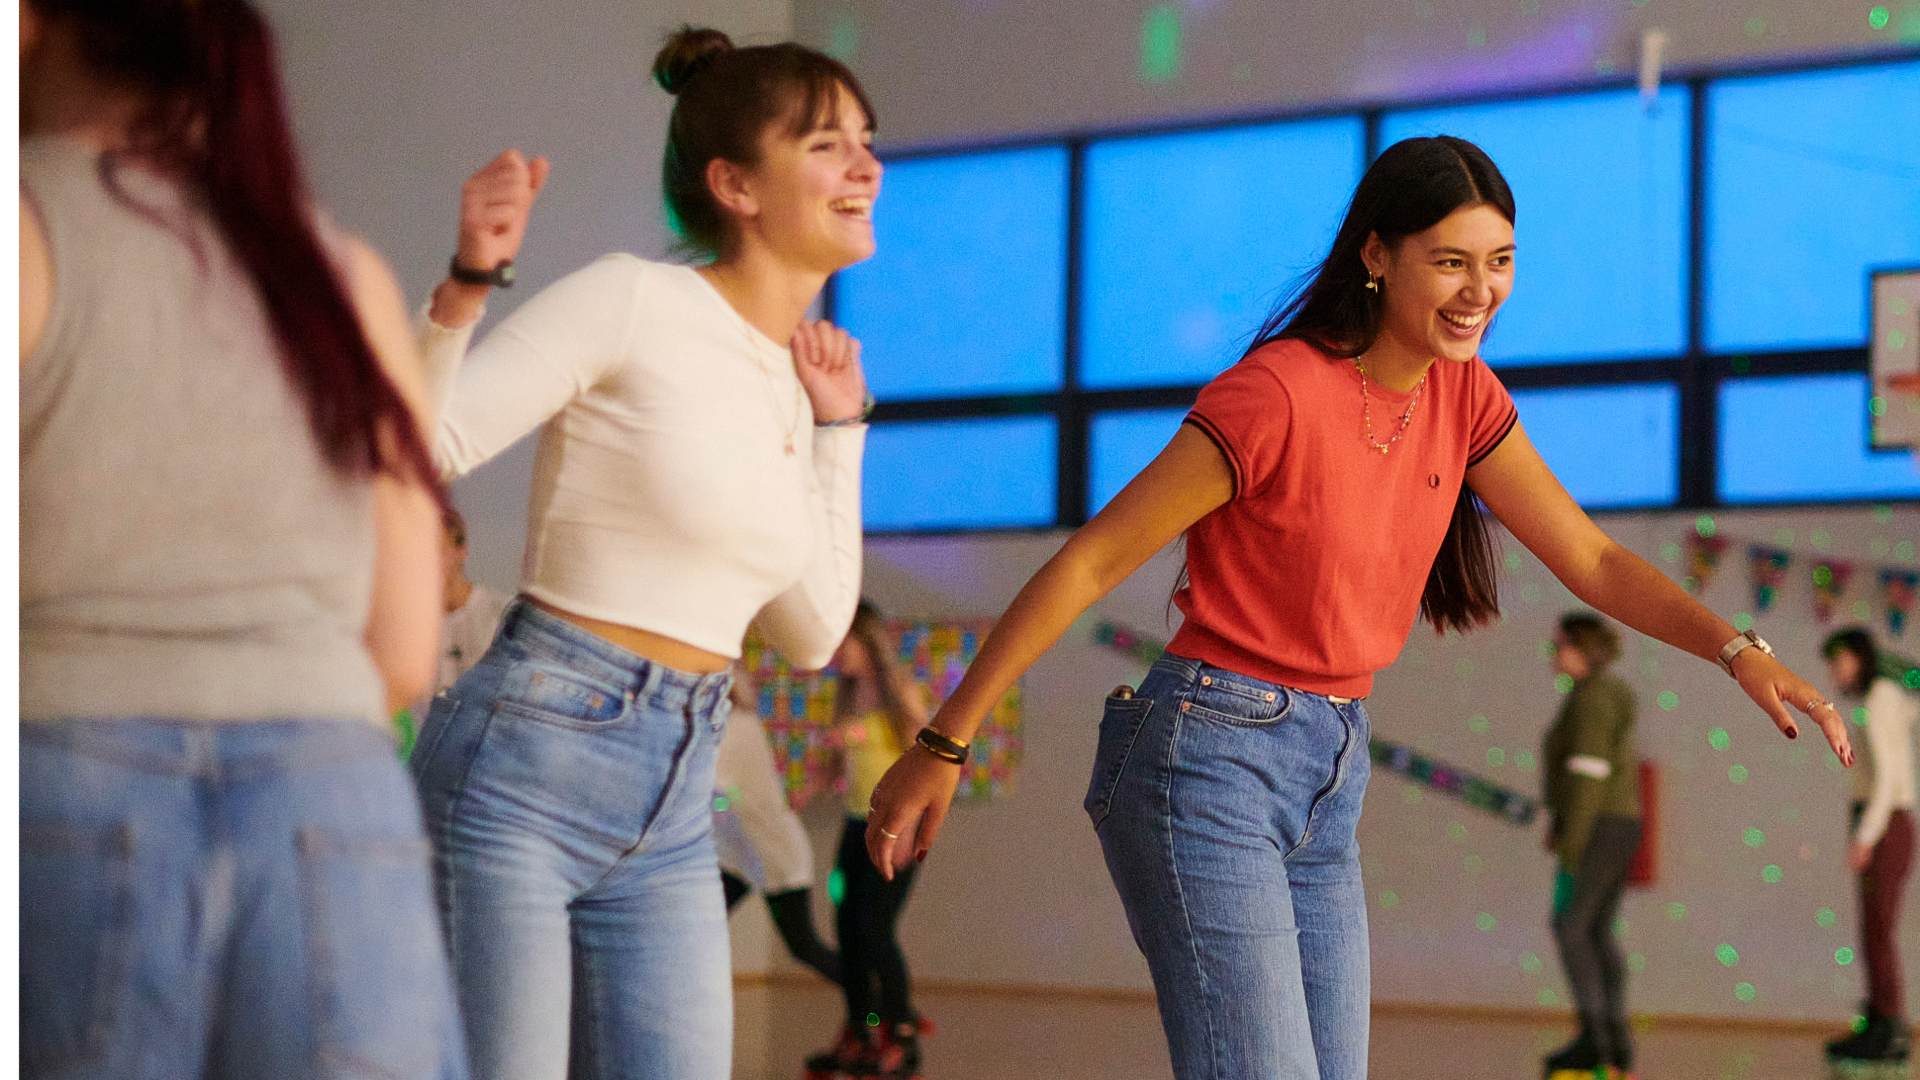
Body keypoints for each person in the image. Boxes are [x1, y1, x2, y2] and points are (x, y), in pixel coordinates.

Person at [864, 135, 1854, 1080]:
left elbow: (1590, 557)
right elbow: (1090, 563)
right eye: (1451, 262)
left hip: (1330, 767)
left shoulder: (1463, 396)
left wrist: (1737, 648)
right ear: (1376, 255)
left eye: (1501, 262)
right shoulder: (1276, 395)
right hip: (1208, 756)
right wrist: (945, 740)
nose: (1481, 293)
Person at [404, 25, 879, 1080]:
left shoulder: (793, 390)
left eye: (866, 140)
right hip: (525, 760)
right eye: (825, 144)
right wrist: (466, 285)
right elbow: (425, 444)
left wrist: (841, 433)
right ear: (735, 185)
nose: (865, 166)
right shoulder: (635, 298)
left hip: (678, 791)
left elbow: (808, 636)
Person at [19, 1, 461, 1077]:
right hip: (335, 803)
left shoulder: (23, 224)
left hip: (60, 782)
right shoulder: (337, 272)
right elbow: (405, 650)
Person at [807, 601, 932, 1080]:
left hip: (894, 828)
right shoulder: (845, 696)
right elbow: (835, 770)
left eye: (844, 642)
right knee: (848, 930)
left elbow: (925, 766)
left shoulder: (898, 693)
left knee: (875, 930)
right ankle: (861, 1030)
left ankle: (901, 1034)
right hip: (856, 826)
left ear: (866, 640)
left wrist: (907, 831)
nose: (837, 653)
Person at [1539, 613, 1643, 1078]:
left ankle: (1596, 1038)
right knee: (1596, 931)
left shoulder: (1593, 699)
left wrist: (1571, 842)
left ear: (1582, 650)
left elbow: (1588, 776)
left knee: (1572, 927)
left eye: (1561, 645)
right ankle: (1610, 1039)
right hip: (1612, 824)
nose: (1555, 654)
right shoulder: (1597, 694)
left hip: (1599, 826)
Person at [1822, 627, 1918, 1065]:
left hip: (1886, 823)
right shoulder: (1883, 700)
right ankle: (1879, 1023)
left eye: (1840, 660)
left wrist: (1865, 837)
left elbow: (1888, 782)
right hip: (1882, 823)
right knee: (1872, 931)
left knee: (1878, 931)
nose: (1835, 671)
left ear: (1860, 659)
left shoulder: (1880, 698)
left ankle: (1890, 1030)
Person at [715, 669, 842, 985]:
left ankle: (877, 1006)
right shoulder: (732, 723)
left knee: (803, 946)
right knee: (700, 929)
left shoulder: (735, 726)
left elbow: (703, 783)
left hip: (774, 851)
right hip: (740, 854)